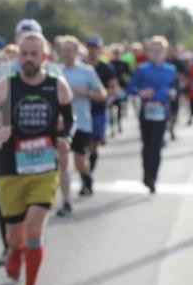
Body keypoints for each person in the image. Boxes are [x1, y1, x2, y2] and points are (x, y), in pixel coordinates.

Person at [0, 33, 73, 285]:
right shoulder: (6, 86)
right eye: (23, 53)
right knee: (16, 237)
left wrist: (65, 138)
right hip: (11, 168)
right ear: (18, 57)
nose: (27, 58)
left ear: (45, 57)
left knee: (35, 231)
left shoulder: (57, 87)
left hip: (43, 168)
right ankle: (14, 251)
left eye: (33, 54)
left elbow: (68, 121)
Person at [56, 36, 104, 216]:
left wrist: (88, 92)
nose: (66, 53)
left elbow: (102, 93)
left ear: (77, 53)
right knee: (63, 163)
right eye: (64, 50)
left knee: (78, 161)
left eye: (70, 50)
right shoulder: (54, 72)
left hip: (82, 122)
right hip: (62, 124)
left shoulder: (87, 71)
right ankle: (66, 202)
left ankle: (86, 176)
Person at [126, 35, 177, 193]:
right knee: (147, 144)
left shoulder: (170, 69)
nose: (157, 53)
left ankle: (152, 178)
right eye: (154, 50)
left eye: (160, 50)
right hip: (146, 110)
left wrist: (173, 93)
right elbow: (131, 88)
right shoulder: (142, 69)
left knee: (157, 145)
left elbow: (175, 88)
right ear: (149, 52)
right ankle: (146, 172)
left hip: (162, 110)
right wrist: (141, 92)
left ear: (165, 51)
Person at [83, 35, 119, 184]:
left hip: (97, 111)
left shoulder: (106, 68)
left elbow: (113, 88)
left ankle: (90, 170)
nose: (92, 50)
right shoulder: (80, 66)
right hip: (79, 112)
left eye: (95, 47)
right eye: (90, 47)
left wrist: (103, 97)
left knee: (93, 145)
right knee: (80, 147)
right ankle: (84, 175)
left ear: (100, 49)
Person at [165, 44, 189, 142]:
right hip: (164, 90)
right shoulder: (163, 62)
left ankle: (172, 127)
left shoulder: (179, 63)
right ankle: (166, 126)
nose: (170, 52)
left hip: (175, 89)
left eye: (172, 51)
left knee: (174, 110)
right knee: (166, 110)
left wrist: (176, 76)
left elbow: (185, 74)